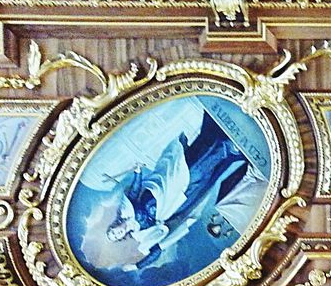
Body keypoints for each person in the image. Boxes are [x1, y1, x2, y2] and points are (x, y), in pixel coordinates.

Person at [105, 112, 251, 273]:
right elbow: (156, 251)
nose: (117, 233)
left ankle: (220, 140)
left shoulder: (126, 210)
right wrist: (137, 265)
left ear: (114, 225)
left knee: (191, 164)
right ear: (121, 238)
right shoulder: (142, 237)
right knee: (200, 177)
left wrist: (138, 173)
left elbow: (134, 190)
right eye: (116, 236)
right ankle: (227, 150)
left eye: (113, 231)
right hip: (175, 203)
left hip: (165, 183)